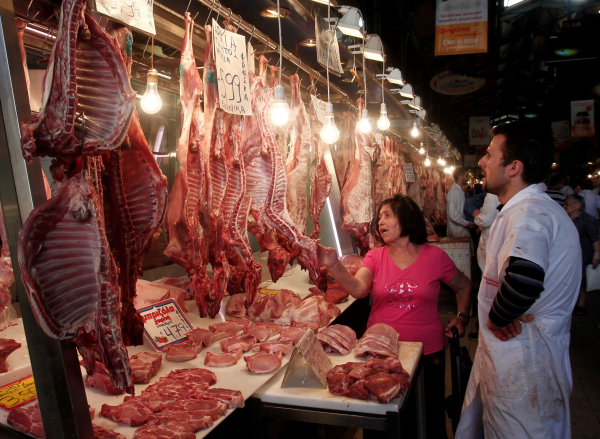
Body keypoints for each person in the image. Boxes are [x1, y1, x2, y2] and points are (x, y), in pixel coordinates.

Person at [455, 121, 581, 439]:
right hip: (521, 358)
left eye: (489, 155)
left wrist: (499, 317)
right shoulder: (527, 210)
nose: (481, 163)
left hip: (525, 366)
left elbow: (524, 278)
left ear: (514, 167)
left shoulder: (528, 213)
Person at [318, 194, 471, 439]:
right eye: (379, 217)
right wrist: (334, 265)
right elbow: (358, 289)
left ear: (407, 219)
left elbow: (463, 285)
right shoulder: (375, 256)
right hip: (381, 353)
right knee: (382, 421)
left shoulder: (434, 257)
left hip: (427, 351)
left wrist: (462, 316)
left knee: (428, 416)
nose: (380, 222)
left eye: (388, 215)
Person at [467, 189, 500, 342]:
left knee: (488, 291)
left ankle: (484, 330)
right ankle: (484, 328)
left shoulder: (493, 195)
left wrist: (475, 212)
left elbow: (485, 220)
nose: (481, 163)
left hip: (490, 252)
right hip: (490, 251)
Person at [564, 194, 600, 316]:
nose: (566, 206)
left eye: (569, 203)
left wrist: (596, 256)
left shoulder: (588, 220)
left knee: (583, 280)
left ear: (578, 205)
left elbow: (596, 239)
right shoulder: (566, 218)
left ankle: (581, 304)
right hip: (568, 253)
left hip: (584, 254)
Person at [447, 167, 476, 237]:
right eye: (466, 176)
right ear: (460, 177)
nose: (468, 178)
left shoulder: (459, 191)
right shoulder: (454, 192)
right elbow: (453, 214)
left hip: (461, 231)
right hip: (457, 232)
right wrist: (466, 223)